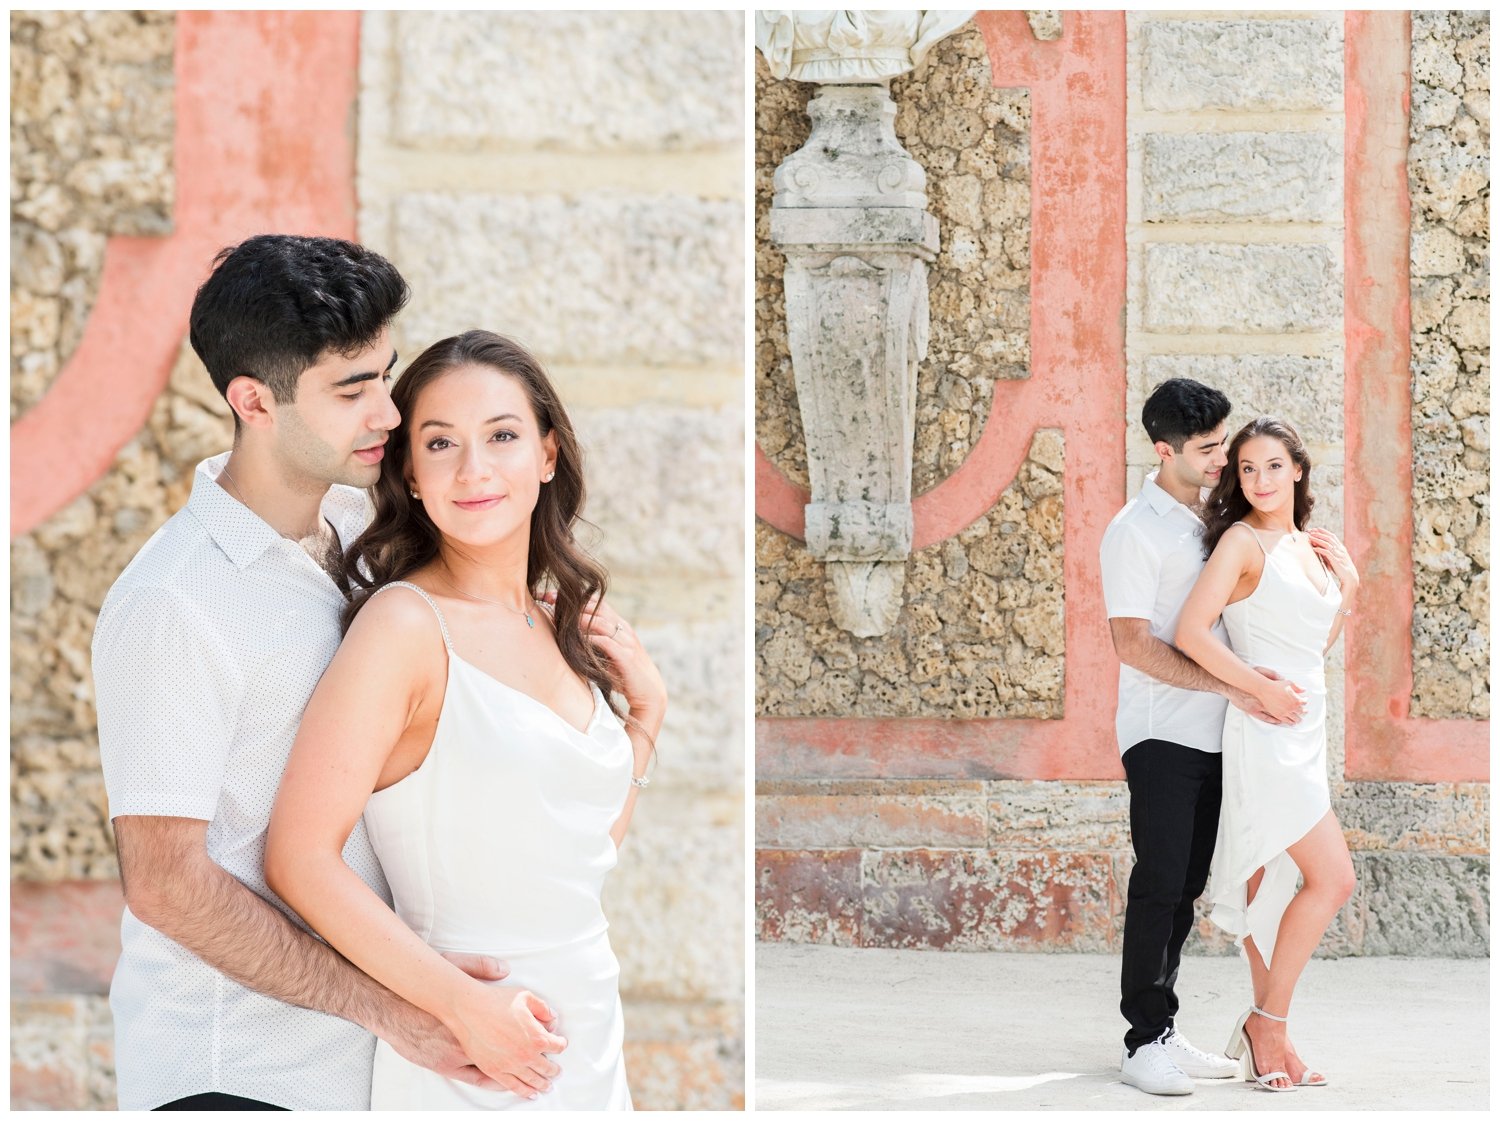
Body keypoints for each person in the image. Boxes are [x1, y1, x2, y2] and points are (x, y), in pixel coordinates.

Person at [93, 236, 555, 1110]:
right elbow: (166, 884)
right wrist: (395, 1008)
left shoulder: (360, 531)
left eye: (384, 375)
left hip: (372, 1076)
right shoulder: (173, 602)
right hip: (236, 1077)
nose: (388, 411)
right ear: (253, 401)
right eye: (352, 389)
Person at [265, 329, 665, 1110]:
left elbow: (574, 859)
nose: (473, 469)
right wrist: (459, 1005)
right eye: (440, 442)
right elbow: (299, 857)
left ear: (548, 454)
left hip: (585, 1034)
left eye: (503, 436)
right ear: (409, 472)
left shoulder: (554, 624)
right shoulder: (405, 626)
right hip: (470, 1055)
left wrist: (646, 717)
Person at [1098, 379, 1306, 1096]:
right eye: (1209, 448)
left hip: (1219, 736)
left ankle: (1164, 1028)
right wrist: (1234, 684)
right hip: (1161, 733)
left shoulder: (1207, 518)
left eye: (1224, 442)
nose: (1223, 457)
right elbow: (1130, 642)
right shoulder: (1134, 531)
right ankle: (1140, 1042)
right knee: (1158, 880)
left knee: (1185, 884)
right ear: (1164, 450)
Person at [1175, 416, 1358, 1092]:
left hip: (1306, 731)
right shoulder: (1241, 541)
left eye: (1273, 466)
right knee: (1330, 876)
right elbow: (1193, 630)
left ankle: (1271, 1038)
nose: (1259, 480)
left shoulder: (1312, 547)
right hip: (1263, 726)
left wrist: (1351, 587)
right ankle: (1267, 1025)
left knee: (1274, 882)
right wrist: (1255, 690)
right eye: (1247, 468)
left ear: (1298, 470)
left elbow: (1313, 647)